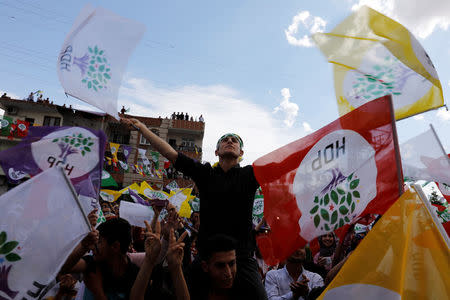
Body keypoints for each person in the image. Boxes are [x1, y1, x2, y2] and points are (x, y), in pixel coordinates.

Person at [121, 117, 266, 299]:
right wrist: (142, 128)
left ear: (241, 152)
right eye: (225, 140)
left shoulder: (250, 174)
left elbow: (284, 161)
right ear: (216, 151)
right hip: (206, 258)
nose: (230, 141)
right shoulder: (205, 173)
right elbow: (170, 153)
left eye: (235, 140)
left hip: (241, 258)